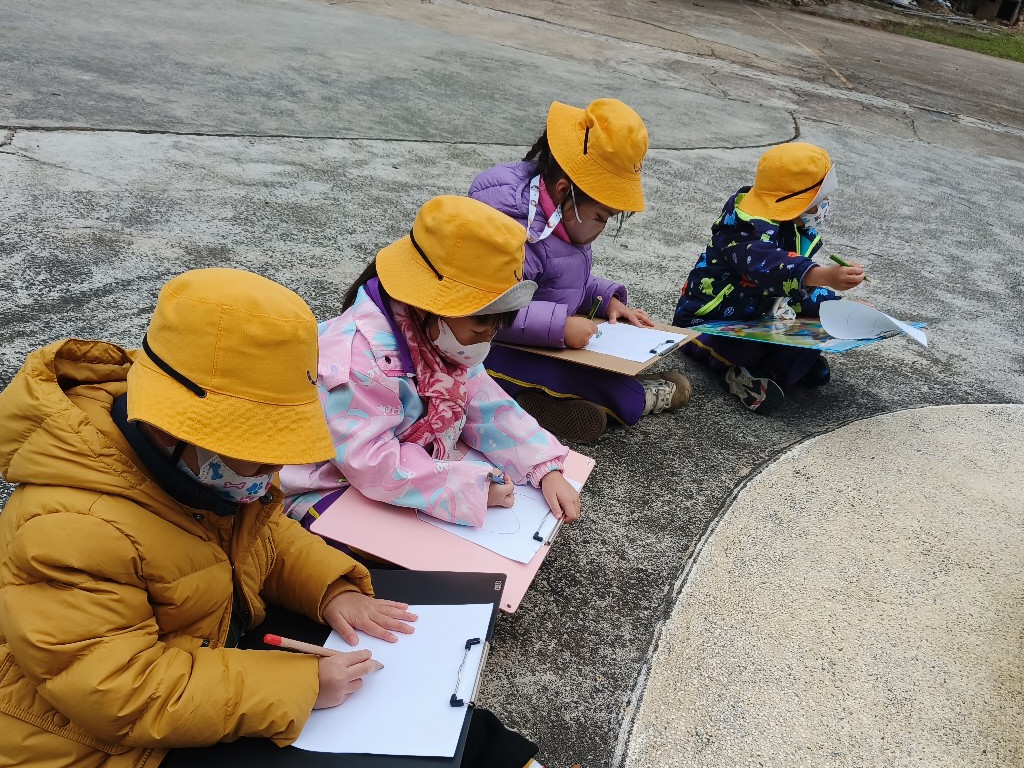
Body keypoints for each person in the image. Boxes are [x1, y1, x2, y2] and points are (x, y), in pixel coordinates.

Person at [0, 268, 687, 768]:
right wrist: (298, 685)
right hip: (93, 754)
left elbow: (267, 538)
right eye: (258, 455)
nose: (269, 474)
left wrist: (332, 589)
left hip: (204, 663)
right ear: (178, 428)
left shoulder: (205, 469)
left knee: (387, 675)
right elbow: (117, 691)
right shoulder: (65, 525)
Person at [280, 195, 582, 532]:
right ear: (429, 306)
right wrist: (471, 487)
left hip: (397, 471)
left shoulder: (440, 338)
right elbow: (370, 462)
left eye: (496, 328)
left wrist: (545, 467)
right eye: (480, 328)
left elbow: (486, 403)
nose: (487, 339)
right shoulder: (357, 361)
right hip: (325, 484)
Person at [467, 98, 691, 444]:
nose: (603, 227)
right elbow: (489, 306)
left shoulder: (559, 218)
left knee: (583, 371)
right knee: (597, 383)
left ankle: (534, 405)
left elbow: (561, 281)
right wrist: (560, 326)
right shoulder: (518, 229)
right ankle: (638, 396)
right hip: (487, 349)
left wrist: (605, 299)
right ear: (563, 192)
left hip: (537, 342)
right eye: (601, 216)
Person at [672, 141, 865, 414]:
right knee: (738, 349)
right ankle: (752, 375)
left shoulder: (792, 229)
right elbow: (772, 268)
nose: (824, 207)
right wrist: (822, 275)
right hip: (709, 320)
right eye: (817, 202)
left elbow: (797, 291)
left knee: (815, 335)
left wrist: (841, 308)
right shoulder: (741, 230)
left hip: (761, 320)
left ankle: (771, 374)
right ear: (795, 202)